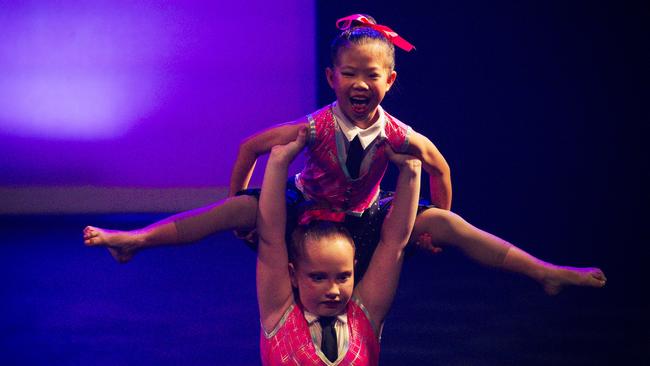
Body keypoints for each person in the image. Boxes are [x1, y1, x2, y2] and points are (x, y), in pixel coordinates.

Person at [84, 14, 606, 294]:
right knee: (238, 209)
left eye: (371, 74)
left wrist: (437, 221)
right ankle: (137, 240)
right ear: (331, 78)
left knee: (455, 226)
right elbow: (249, 147)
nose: (359, 83)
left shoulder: (399, 135)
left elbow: (440, 166)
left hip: (364, 221)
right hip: (304, 217)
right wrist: (239, 200)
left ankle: (543, 271)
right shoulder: (314, 127)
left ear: (390, 81)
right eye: (348, 74)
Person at [256, 126, 420, 365]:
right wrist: (279, 163)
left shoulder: (365, 316)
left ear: (354, 269)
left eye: (343, 277)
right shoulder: (279, 314)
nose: (333, 290)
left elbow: (393, 243)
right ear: (293, 274)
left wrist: (411, 171)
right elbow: (271, 237)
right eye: (318, 277)